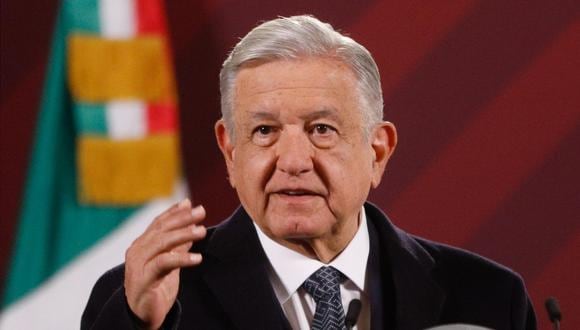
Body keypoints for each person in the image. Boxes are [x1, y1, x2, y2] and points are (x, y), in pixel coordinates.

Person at [81, 15, 536, 330]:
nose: (293, 160)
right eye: (264, 131)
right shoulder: (144, 303)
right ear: (230, 151)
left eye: (321, 129)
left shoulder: (489, 298)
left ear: (377, 152)